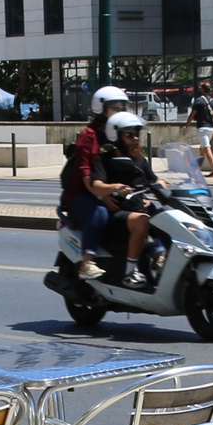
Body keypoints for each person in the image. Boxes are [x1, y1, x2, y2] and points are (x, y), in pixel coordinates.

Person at [57, 85, 127, 281]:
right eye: (115, 108)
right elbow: (85, 173)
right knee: (100, 212)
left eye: (122, 108)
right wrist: (102, 195)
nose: (119, 112)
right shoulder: (88, 136)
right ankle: (87, 263)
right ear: (100, 108)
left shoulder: (120, 134)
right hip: (82, 194)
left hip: (109, 191)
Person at [93, 112, 161, 288]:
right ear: (116, 137)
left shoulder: (139, 159)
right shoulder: (105, 160)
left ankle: (160, 258)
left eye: (137, 134)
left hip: (139, 211)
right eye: (129, 135)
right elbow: (96, 184)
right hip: (118, 214)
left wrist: (163, 186)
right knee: (143, 220)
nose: (135, 139)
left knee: (165, 215)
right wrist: (114, 188)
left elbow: (155, 180)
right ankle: (130, 272)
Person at [187, 85, 213, 170]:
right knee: (202, 148)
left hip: (202, 128)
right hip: (211, 128)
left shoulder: (198, 101)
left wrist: (186, 126)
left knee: (206, 148)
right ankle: (197, 167)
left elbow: (192, 115)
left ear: (202, 89)